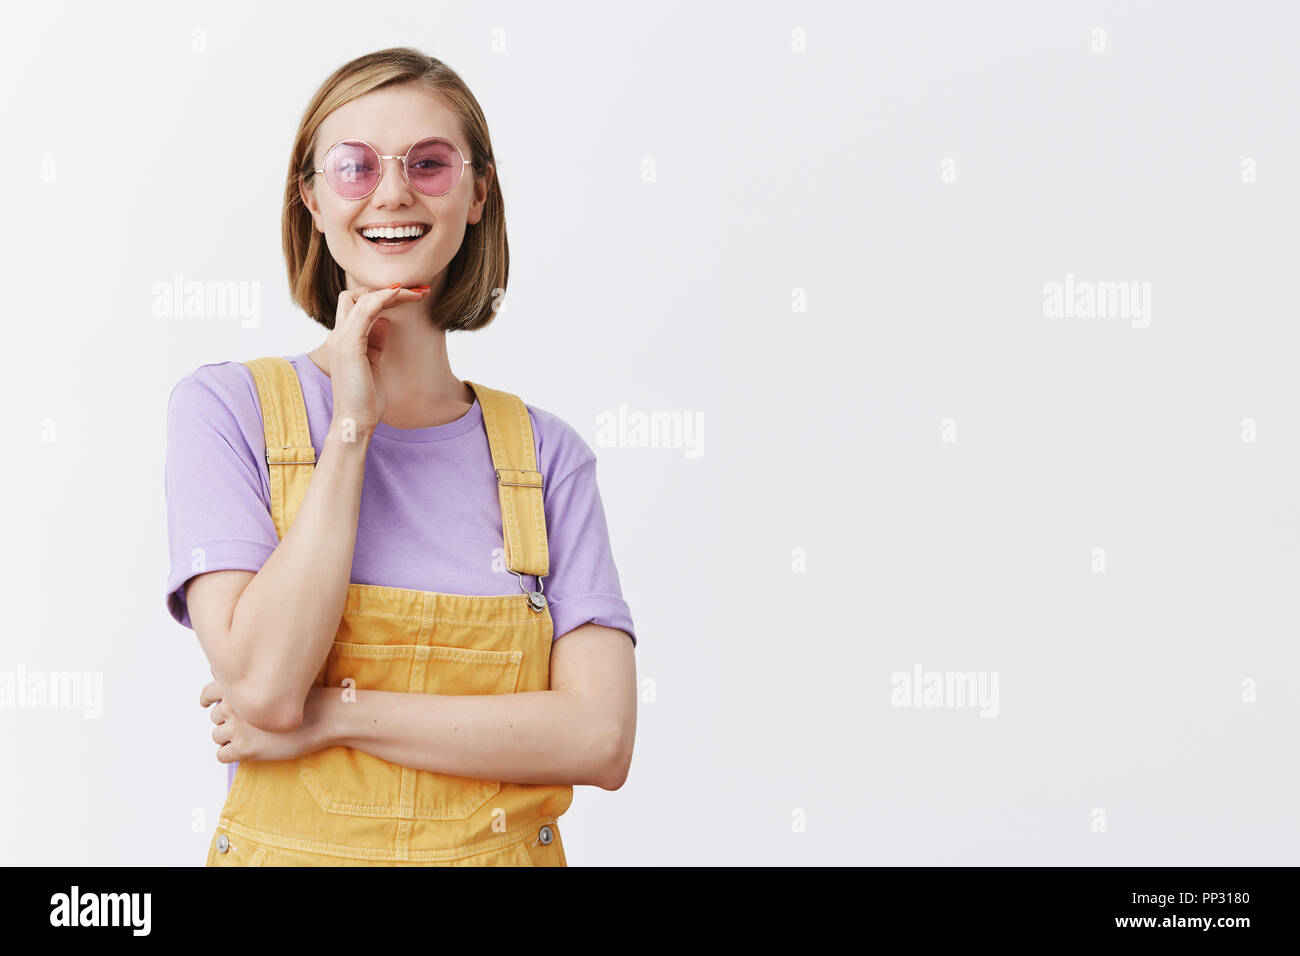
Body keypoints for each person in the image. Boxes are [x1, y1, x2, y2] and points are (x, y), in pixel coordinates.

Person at [163, 47, 637, 866]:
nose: (392, 193)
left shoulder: (546, 458)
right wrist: (351, 429)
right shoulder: (226, 411)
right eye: (354, 168)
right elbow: (267, 688)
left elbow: (600, 739)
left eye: (429, 163)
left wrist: (340, 716)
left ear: (477, 193)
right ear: (310, 198)